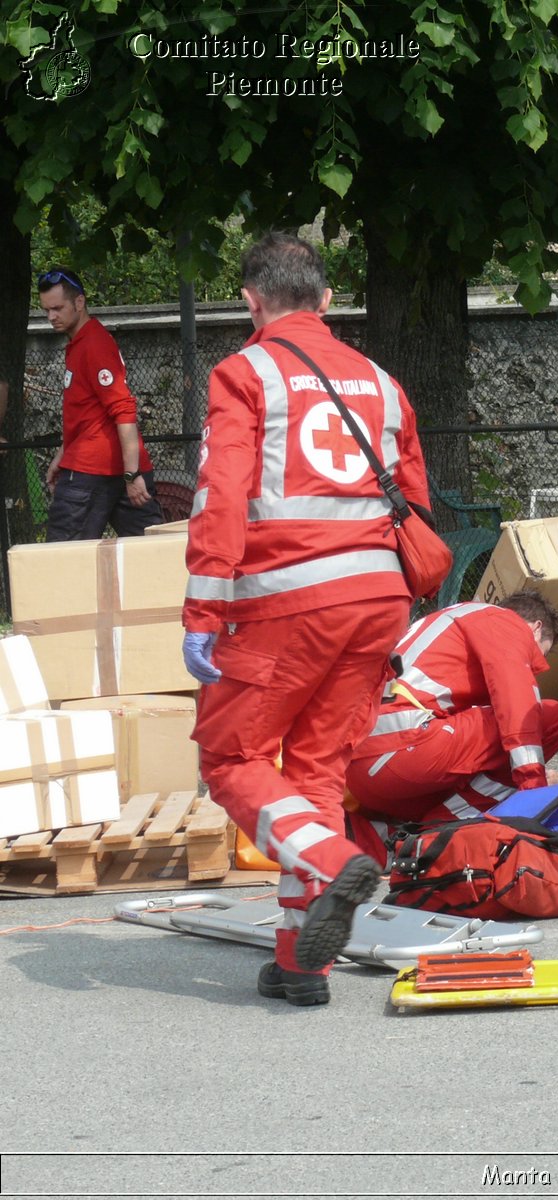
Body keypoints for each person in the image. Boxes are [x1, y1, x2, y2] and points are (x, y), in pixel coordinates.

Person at [181, 232, 431, 1007]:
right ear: (326, 300)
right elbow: (418, 496)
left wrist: (204, 608)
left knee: (230, 758)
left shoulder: (243, 372)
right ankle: (301, 965)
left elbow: (221, 494)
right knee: (316, 770)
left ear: (250, 303)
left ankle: (329, 860)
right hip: (378, 596)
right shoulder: (384, 383)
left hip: (291, 597)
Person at [343, 594, 558, 861]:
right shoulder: (504, 622)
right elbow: (518, 704)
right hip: (403, 748)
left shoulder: (451, 622)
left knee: (476, 766)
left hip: (362, 769)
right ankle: (433, 837)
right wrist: (534, 791)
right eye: (536, 655)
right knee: (552, 718)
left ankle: (380, 838)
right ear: (534, 627)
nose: (531, 668)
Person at [36, 267, 165, 540]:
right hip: (105, 468)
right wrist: (63, 454)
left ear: (79, 303)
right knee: (151, 555)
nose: (51, 317)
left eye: (57, 308)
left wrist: (131, 476)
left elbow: (124, 410)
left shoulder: (93, 344)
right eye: (46, 310)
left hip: (90, 473)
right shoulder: (82, 343)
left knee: (60, 562)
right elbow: (88, 415)